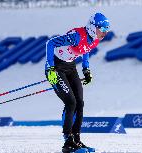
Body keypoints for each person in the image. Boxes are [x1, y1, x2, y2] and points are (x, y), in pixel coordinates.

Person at [45, 13, 110, 153]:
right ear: (93, 27)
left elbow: (86, 50)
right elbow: (50, 43)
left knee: (80, 102)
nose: (104, 32)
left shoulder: (95, 39)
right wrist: (50, 68)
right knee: (71, 103)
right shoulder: (76, 36)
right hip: (56, 67)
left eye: (106, 29)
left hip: (70, 67)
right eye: (102, 29)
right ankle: (67, 142)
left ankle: (76, 139)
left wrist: (86, 69)